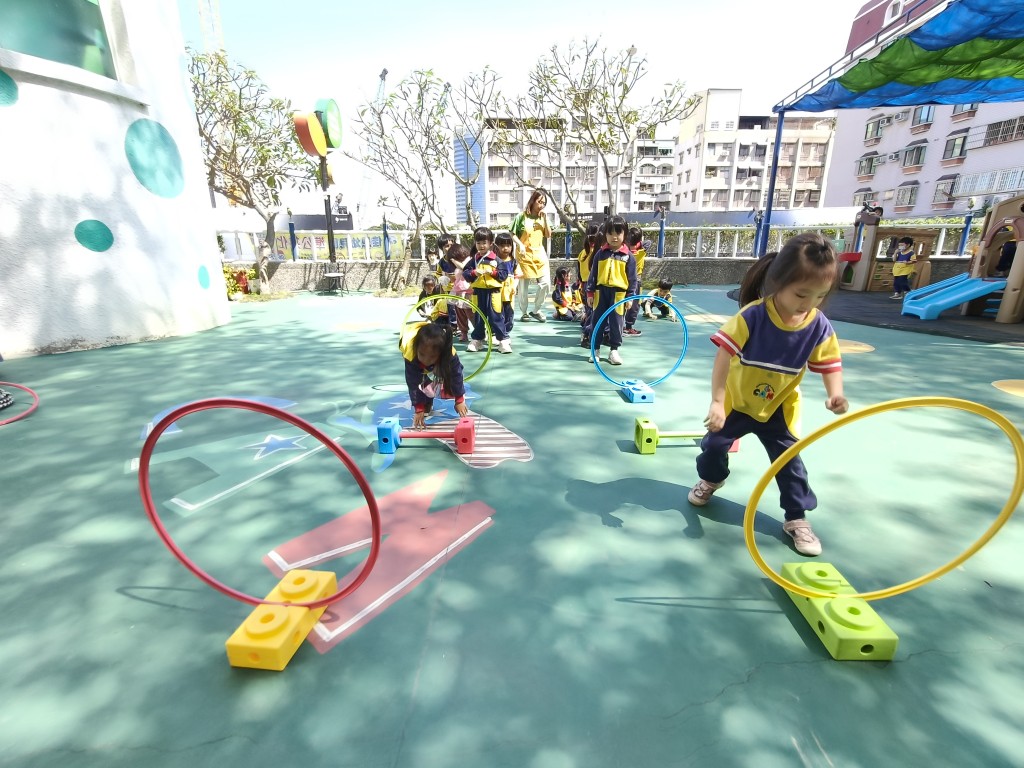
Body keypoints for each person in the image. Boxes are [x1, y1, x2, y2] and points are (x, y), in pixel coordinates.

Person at [687, 232, 849, 557]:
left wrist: (836, 394)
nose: (809, 304)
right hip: (738, 402)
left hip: (779, 407)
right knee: (713, 446)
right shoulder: (753, 316)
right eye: (801, 294)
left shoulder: (818, 325)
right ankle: (712, 479)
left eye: (819, 296)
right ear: (779, 282)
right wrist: (717, 402)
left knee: (790, 464)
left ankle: (796, 517)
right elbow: (723, 356)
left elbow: (830, 363)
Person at [585, 216, 635, 366]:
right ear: (605, 234)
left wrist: (630, 296)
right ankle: (595, 349)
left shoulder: (628, 256)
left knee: (617, 322)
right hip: (600, 293)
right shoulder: (600, 254)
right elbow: (593, 275)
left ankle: (614, 350)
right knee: (597, 321)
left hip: (619, 295)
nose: (614, 237)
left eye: (618, 233)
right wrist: (590, 292)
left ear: (625, 234)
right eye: (610, 233)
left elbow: (632, 279)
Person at [400, 321, 469, 430]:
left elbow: (456, 375)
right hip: (410, 341)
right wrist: (419, 408)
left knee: (448, 371)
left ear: (441, 354)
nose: (426, 360)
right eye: (422, 354)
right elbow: (413, 383)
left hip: (440, 359)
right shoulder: (411, 355)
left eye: (432, 357)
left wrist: (459, 399)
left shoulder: (449, 354)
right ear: (417, 349)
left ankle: (433, 383)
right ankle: (427, 396)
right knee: (419, 377)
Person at [464, 227, 513, 354]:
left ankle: (503, 340)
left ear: (490, 243)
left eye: (484, 243)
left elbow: (503, 275)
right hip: (478, 293)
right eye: (478, 242)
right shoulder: (474, 260)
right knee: (478, 318)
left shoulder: (496, 259)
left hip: (493, 293)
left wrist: (493, 272)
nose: (481, 246)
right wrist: (474, 273)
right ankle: (477, 340)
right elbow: (466, 273)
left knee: (496, 317)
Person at [511, 190, 552, 322]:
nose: (541, 205)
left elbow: (548, 235)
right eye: (539, 202)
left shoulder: (543, 217)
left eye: (544, 203)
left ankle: (536, 310)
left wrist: (545, 219)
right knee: (523, 287)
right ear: (533, 201)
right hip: (524, 255)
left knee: (546, 284)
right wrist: (520, 245)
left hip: (539, 254)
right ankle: (524, 312)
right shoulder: (521, 216)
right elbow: (512, 233)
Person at [576, 223, 601, 348]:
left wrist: (581, 283)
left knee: (590, 311)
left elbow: (579, 272)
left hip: (585, 285)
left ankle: (591, 334)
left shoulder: (583, 252)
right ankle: (586, 335)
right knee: (592, 312)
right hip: (593, 286)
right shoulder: (597, 253)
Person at [623, 227, 647, 336]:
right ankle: (627, 327)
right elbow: (648, 242)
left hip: (624, 280)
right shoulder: (642, 251)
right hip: (635, 281)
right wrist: (638, 244)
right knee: (634, 305)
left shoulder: (624, 251)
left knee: (625, 304)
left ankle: (621, 327)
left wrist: (630, 244)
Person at [495, 231, 518, 340]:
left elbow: (517, 276)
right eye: (502, 245)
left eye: (508, 245)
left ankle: (505, 333)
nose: (505, 248)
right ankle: (495, 333)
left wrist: (514, 286)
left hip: (508, 294)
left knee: (509, 314)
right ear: (496, 246)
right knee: (496, 313)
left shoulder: (513, 262)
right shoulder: (494, 261)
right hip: (496, 293)